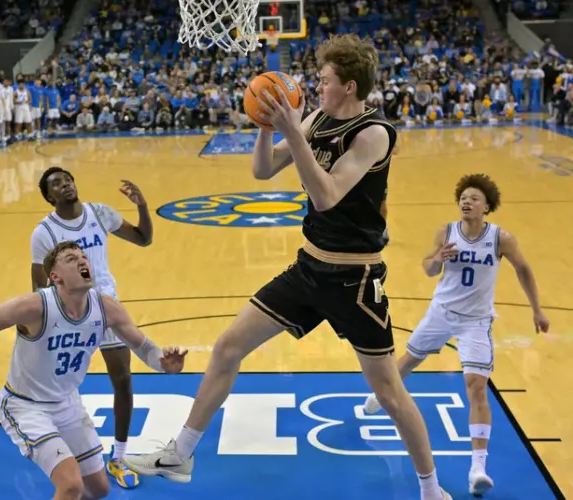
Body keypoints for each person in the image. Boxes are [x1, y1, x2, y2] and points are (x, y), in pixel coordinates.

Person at [124, 34, 452, 500]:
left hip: (354, 281)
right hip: (309, 269)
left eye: (325, 80)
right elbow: (262, 171)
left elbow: (326, 194)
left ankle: (431, 489)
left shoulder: (373, 133)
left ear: (351, 87)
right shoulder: (316, 117)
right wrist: (264, 124)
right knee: (227, 348)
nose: (317, 86)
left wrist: (293, 129)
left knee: (389, 393)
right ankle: (181, 452)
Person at [0, 241, 187, 500]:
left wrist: (165, 364)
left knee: (98, 489)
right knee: (71, 484)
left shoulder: (106, 308)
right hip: (26, 406)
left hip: (67, 403)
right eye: (72, 259)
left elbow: (145, 349)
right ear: (55, 277)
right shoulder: (35, 307)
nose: (82, 260)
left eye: (83, 256)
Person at [363, 173, 550, 496]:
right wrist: (437, 259)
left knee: (476, 386)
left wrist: (537, 309)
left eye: (474, 198)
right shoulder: (447, 232)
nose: (467, 201)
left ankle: (478, 468)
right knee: (407, 362)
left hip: (476, 321)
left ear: (487, 207)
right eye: (464, 197)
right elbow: (428, 268)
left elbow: (524, 269)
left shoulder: (500, 238)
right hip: (441, 312)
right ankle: (379, 397)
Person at [31, 167, 153, 490]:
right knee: (60, 388)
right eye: (57, 183)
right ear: (49, 196)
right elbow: (38, 287)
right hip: (69, 314)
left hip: (105, 308)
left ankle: (120, 456)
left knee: (123, 380)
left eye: (67, 179)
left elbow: (144, 239)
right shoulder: (44, 232)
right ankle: (60, 451)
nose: (65, 184)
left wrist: (141, 206)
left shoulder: (100, 214)